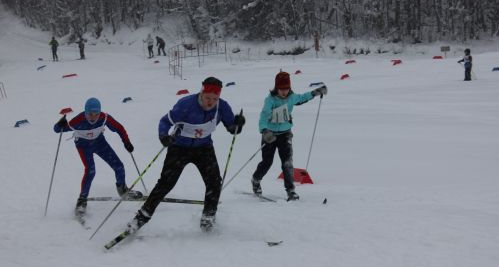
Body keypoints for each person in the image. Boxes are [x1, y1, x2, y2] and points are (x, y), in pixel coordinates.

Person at [126, 77, 246, 233]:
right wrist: (163, 136)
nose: (210, 102)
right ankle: (141, 218)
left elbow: (232, 128)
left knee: (214, 182)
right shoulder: (186, 104)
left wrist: (238, 124)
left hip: (204, 148)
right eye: (208, 97)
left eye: (214, 99)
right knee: (166, 183)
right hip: (179, 147)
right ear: (201, 93)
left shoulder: (221, 107)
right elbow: (165, 121)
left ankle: (208, 218)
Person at [53, 97, 142, 216]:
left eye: (96, 114)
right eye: (90, 114)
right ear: (85, 112)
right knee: (90, 171)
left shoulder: (104, 117)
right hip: (83, 146)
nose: (93, 117)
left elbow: (119, 128)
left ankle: (123, 190)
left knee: (119, 166)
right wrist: (60, 124)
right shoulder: (77, 121)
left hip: (99, 143)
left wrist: (126, 142)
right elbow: (57, 130)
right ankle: (82, 201)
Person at [251, 71, 327, 201]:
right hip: (270, 135)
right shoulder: (270, 100)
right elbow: (263, 117)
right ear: (276, 88)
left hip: (285, 134)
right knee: (267, 162)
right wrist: (264, 131)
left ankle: (290, 190)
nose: (284, 92)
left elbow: (302, 97)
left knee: (287, 162)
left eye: (286, 89)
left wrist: (315, 92)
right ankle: (256, 180)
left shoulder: (292, 97)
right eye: (281, 89)